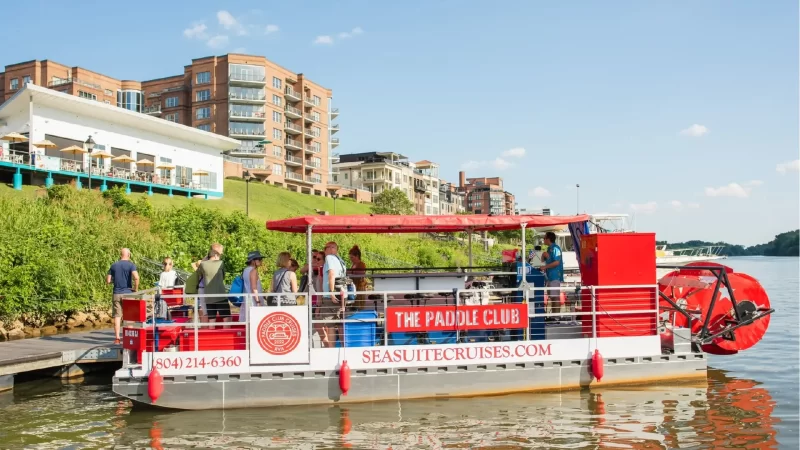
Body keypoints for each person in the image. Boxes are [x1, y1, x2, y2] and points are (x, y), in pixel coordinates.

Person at [106, 248, 140, 344]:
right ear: (129, 255)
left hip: (116, 293)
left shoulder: (114, 265)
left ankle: (117, 338)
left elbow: (108, 281)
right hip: (128, 293)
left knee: (117, 316)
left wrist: (114, 280)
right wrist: (135, 288)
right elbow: (136, 277)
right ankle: (129, 338)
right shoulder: (131, 265)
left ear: (120, 255)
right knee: (129, 316)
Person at [320, 241, 347, 347]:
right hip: (342, 294)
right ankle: (343, 348)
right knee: (340, 324)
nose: (331, 250)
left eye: (333, 247)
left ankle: (331, 350)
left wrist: (331, 292)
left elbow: (331, 274)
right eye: (329, 247)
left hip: (332, 295)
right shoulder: (341, 260)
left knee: (330, 324)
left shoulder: (329, 258)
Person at [193, 245, 227, 323]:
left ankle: (207, 330)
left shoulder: (207, 260)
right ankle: (205, 332)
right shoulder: (207, 260)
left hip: (207, 289)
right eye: (221, 252)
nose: (222, 254)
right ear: (215, 251)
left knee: (209, 313)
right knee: (206, 313)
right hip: (205, 288)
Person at [540, 231, 564, 320]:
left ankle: (556, 317)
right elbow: (542, 261)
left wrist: (545, 266)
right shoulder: (549, 249)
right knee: (552, 296)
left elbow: (557, 262)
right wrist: (543, 255)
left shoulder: (556, 248)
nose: (543, 240)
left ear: (548, 239)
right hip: (549, 276)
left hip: (555, 276)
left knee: (555, 296)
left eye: (544, 238)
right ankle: (554, 316)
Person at [239, 250, 264, 321]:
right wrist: (258, 301)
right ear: (253, 261)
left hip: (247, 299)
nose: (261, 261)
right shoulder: (253, 271)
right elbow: (254, 288)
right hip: (253, 301)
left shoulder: (245, 270)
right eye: (259, 259)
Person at [348, 245, 367, 310]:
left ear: (357, 256)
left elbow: (361, 274)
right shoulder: (353, 264)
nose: (351, 259)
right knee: (355, 303)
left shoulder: (361, 264)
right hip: (355, 286)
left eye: (352, 257)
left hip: (360, 286)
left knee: (359, 303)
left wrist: (350, 273)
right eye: (350, 257)